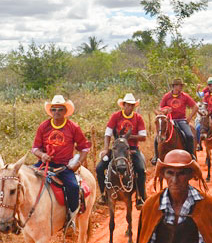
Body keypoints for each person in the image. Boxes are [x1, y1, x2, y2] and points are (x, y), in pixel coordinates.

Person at [31, 95, 91, 229]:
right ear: (50, 111)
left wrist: (78, 163)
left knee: (74, 187)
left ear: (65, 111)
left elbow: (84, 147)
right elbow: (35, 148)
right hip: (45, 163)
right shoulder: (44, 126)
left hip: (63, 166)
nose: (56, 112)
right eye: (54, 109)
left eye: (59, 109)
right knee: (25, 179)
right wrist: (42, 155)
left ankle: (71, 218)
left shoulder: (73, 127)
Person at [97, 93, 148, 209]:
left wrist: (129, 137)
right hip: (117, 149)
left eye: (132, 105)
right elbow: (107, 133)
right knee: (99, 168)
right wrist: (106, 149)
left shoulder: (138, 118)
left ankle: (140, 197)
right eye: (127, 105)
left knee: (140, 169)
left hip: (132, 149)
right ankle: (103, 194)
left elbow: (143, 137)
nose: (129, 107)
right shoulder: (116, 116)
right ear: (123, 105)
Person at [160, 79, 199, 158]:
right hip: (169, 121)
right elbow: (160, 108)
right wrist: (166, 110)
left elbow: (195, 107)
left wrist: (189, 117)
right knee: (158, 137)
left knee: (189, 135)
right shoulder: (167, 96)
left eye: (181, 85)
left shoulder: (185, 96)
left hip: (181, 120)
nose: (181, 87)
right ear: (174, 86)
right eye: (179, 85)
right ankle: (156, 156)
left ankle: (191, 154)